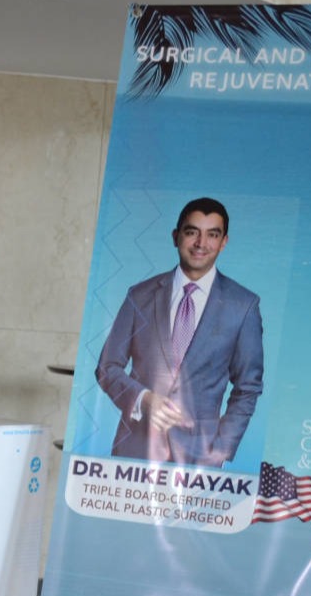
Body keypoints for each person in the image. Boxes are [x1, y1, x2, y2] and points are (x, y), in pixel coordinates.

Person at [93, 197, 262, 465]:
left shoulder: (243, 306)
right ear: (176, 236)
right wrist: (143, 399)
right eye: (192, 232)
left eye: (212, 235)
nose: (201, 243)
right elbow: (107, 367)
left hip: (199, 459)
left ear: (224, 242)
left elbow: (248, 387)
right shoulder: (139, 296)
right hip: (134, 450)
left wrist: (221, 448)